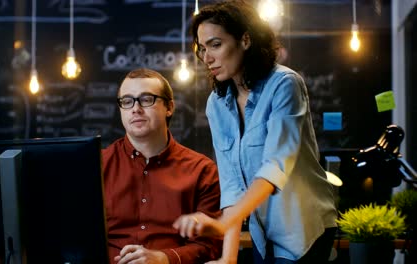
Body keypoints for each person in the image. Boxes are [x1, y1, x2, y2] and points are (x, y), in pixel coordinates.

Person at [173, 1, 337, 263]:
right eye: (202, 49)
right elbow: (231, 184)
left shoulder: (285, 84)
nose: (207, 57)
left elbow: (275, 166)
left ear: (245, 40)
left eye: (216, 44)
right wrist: (228, 257)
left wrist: (223, 222)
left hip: (303, 229)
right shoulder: (216, 103)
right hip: (263, 234)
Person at [102, 68, 222, 264]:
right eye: (127, 101)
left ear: (169, 107)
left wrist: (164, 258)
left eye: (146, 99)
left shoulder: (202, 170)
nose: (136, 109)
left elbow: (210, 246)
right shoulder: (97, 166)